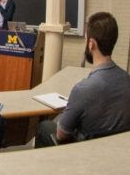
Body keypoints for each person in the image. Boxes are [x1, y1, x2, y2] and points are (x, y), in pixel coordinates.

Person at [35, 12, 130, 148]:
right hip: (115, 152)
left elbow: (62, 134)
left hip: (84, 153)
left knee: (45, 126)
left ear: (91, 44)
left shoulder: (83, 89)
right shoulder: (127, 79)